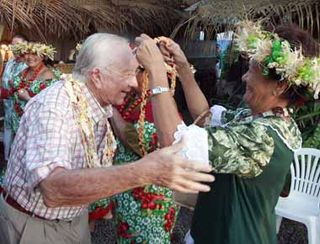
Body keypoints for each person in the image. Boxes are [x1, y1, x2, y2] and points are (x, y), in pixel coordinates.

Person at [0, 33, 214, 244]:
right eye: (127, 73)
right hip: (37, 225)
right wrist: (144, 171)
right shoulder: (56, 107)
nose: (135, 83)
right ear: (97, 76)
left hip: (72, 219)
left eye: (136, 72)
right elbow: (53, 189)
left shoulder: (96, 101)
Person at [134, 20, 320, 244]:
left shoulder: (261, 136)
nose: (244, 78)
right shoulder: (266, 119)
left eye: (252, 71)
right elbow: (205, 116)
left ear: (279, 86)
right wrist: (183, 66)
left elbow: (176, 144)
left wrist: (156, 73)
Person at [107, 65, 180, 243]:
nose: (130, 77)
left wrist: (111, 109)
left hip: (149, 198)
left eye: (135, 72)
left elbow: (140, 143)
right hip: (128, 188)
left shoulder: (158, 106)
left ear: (149, 74)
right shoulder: (135, 98)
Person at [8, 42, 61, 134]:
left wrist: (28, 98)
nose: (30, 57)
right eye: (27, 53)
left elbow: (51, 105)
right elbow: (16, 86)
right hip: (18, 123)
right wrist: (13, 85)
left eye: (35, 53)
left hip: (36, 126)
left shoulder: (49, 75)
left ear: (43, 56)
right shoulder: (25, 71)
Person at [1, 35, 28, 161]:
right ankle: (6, 159)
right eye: (13, 44)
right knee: (7, 130)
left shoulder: (27, 64)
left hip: (20, 106)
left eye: (17, 44)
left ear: (25, 45)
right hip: (8, 104)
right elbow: (4, 80)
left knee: (20, 133)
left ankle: (17, 161)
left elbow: (25, 86)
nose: (14, 47)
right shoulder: (10, 62)